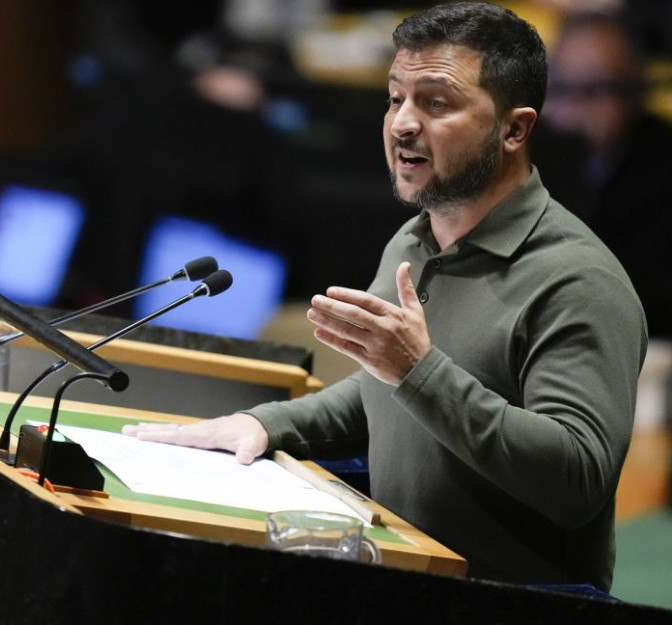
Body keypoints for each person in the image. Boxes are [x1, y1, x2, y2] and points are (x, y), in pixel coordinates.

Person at [124, 2, 647, 592]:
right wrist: (264, 424)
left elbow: (577, 479)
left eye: (437, 103)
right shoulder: (413, 241)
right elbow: (388, 394)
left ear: (514, 129)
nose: (402, 124)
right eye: (396, 98)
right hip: (401, 574)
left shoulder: (578, 281)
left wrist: (417, 370)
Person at [538, 12, 672, 340]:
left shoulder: (661, 162)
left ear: (635, 93)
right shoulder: (523, 155)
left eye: (595, 90)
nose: (574, 108)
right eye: (561, 89)